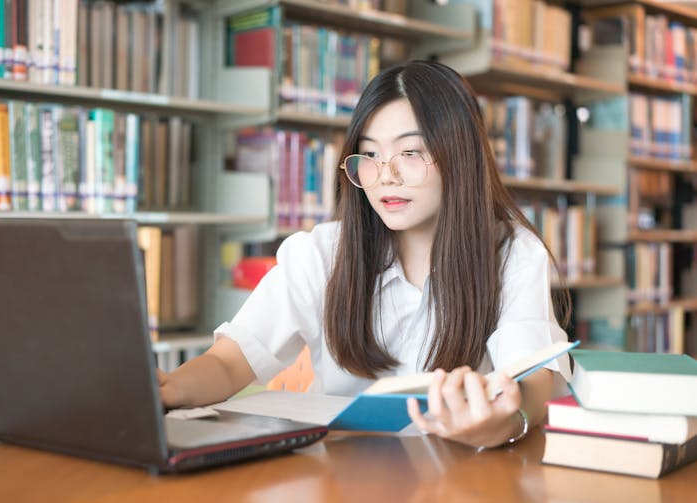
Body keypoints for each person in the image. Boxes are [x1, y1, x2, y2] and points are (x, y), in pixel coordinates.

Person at [157, 60, 572, 448]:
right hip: (341, 474)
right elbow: (230, 363)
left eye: (410, 153)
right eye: (370, 155)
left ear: (460, 157)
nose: (385, 176)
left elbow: (533, 380)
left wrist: (506, 419)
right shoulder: (319, 254)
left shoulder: (513, 255)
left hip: (458, 473)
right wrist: (169, 389)